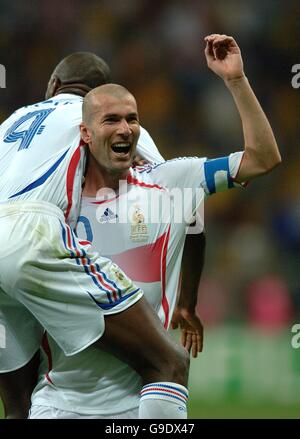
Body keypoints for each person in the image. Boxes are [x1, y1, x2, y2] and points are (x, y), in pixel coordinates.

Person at [28, 34, 281, 418]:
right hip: (58, 403)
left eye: (132, 119)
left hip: (142, 401)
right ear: (85, 134)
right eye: (111, 119)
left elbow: (263, 158)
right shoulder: (51, 205)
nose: (125, 128)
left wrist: (235, 80)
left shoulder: (169, 181)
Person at [0, 52, 191, 419]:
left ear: (53, 86)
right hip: (28, 233)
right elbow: (172, 188)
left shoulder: (13, 121)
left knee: (17, 404)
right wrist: (188, 298)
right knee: (167, 361)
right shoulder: (96, 116)